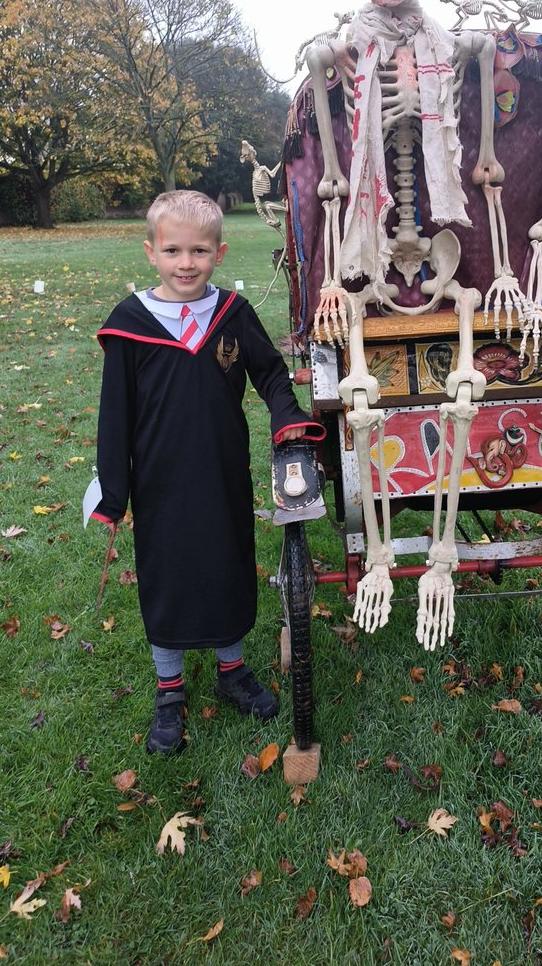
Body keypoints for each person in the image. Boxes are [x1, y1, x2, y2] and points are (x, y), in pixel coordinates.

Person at [90, 191, 323, 754]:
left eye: (199, 251)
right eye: (173, 250)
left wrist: (286, 418)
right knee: (167, 577)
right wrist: (113, 491)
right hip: (159, 484)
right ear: (152, 252)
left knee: (226, 565)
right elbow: (114, 414)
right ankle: (169, 690)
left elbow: (269, 375)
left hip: (222, 474)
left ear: (219, 252)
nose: (186, 263)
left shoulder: (232, 316)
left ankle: (232, 669)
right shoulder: (129, 325)